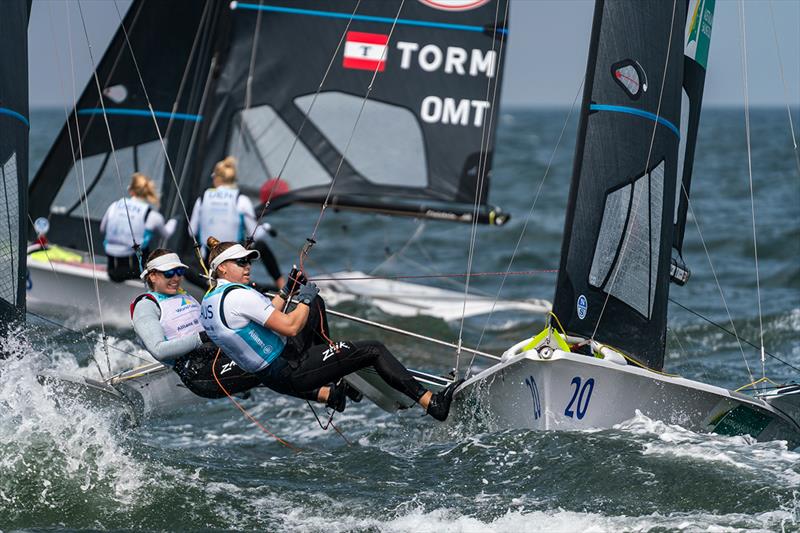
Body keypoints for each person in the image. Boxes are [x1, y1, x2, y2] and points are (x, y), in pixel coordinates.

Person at [199, 237, 462, 421]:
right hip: (290, 370)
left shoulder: (211, 299)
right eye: (241, 263)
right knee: (373, 349)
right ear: (222, 267)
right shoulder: (239, 296)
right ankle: (432, 403)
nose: (248, 267)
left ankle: (332, 371)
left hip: (274, 371)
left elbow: (264, 315)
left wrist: (287, 291)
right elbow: (289, 327)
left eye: (249, 262)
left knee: (315, 305)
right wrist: (303, 298)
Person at [132, 249, 346, 406]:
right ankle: (326, 379)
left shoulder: (186, 297)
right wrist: (203, 336)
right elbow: (159, 349)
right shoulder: (146, 305)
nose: (176, 277)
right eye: (169, 273)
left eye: (179, 271)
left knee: (269, 345)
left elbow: (258, 323)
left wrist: (286, 291)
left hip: (218, 356)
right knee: (264, 363)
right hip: (200, 373)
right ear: (152, 276)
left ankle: (327, 390)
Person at [189, 156, 285, 289]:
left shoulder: (203, 198)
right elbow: (255, 235)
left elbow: (191, 231)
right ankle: (282, 285)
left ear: (216, 178)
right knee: (261, 245)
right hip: (233, 258)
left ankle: (210, 281)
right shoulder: (241, 199)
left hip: (209, 260)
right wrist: (267, 228)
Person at [100, 173, 176, 282]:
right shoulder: (152, 216)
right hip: (135, 269)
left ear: (131, 191)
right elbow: (167, 234)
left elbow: (102, 229)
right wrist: (175, 220)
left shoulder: (114, 205)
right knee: (146, 242)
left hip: (111, 266)